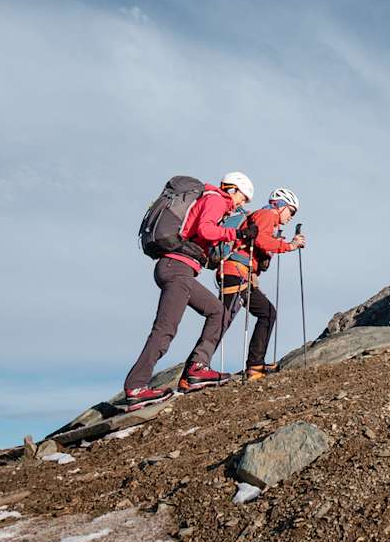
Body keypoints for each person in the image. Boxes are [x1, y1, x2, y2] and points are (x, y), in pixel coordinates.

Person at [123, 172, 259, 411]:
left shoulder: (210, 199)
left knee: (218, 311)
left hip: (179, 269)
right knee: (165, 329)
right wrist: (236, 233)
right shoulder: (217, 199)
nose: (242, 204)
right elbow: (206, 230)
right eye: (244, 198)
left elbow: (201, 235)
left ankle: (197, 368)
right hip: (177, 268)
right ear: (233, 190)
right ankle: (136, 386)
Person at [217, 187, 306, 381]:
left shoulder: (265, 218)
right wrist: (289, 245)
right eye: (291, 211)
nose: (291, 216)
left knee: (263, 313)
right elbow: (262, 241)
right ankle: (197, 368)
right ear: (280, 206)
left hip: (239, 274)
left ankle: (255, 365)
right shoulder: (267, 214)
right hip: (236, 273)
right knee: (222, 321)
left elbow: (261, 244)